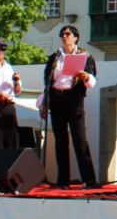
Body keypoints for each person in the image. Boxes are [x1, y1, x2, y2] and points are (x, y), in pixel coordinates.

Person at [39, 24, 101, 189]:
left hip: (74, 99)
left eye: (68, 34)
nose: (64, 37)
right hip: (57, 98)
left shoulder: (85, 56)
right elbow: (48, 81)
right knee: (60, 140)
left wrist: (86, 76)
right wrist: (44, 103)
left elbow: (93, 80)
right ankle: (63, 180)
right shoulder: (55, 57)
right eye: (62, 34)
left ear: (76, 37)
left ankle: (89, 179)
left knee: (80, 140)